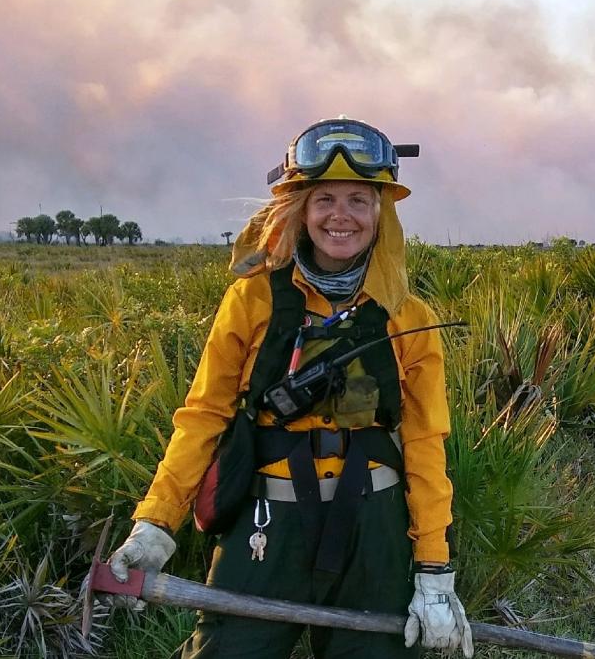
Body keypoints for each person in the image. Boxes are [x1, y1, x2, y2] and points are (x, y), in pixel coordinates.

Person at [106, 117, 473, 658]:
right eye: (324, 199)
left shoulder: (406, 317)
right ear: (300, 208)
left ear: (381, 213)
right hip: (265, 524)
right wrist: (155, 525)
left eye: (359, 200)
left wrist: (435, 572)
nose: (340, 216)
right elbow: (204, 415)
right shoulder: (252, 301)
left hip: (373, 532)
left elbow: (423, 445)